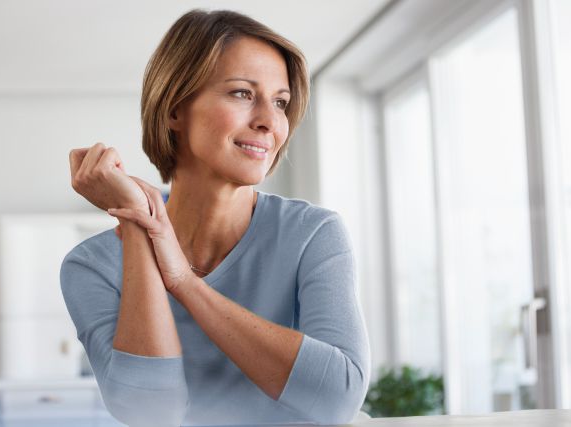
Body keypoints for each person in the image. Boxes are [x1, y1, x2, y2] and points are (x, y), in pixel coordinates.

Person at [61, 9, 369, 427]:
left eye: (280, 101)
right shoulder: (91, 267)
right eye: (242, 93)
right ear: (174, 109)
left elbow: (338, 400)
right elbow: (152, 414)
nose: (269, 121)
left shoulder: (313, 234)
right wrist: (137, 225)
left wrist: (186, 284)